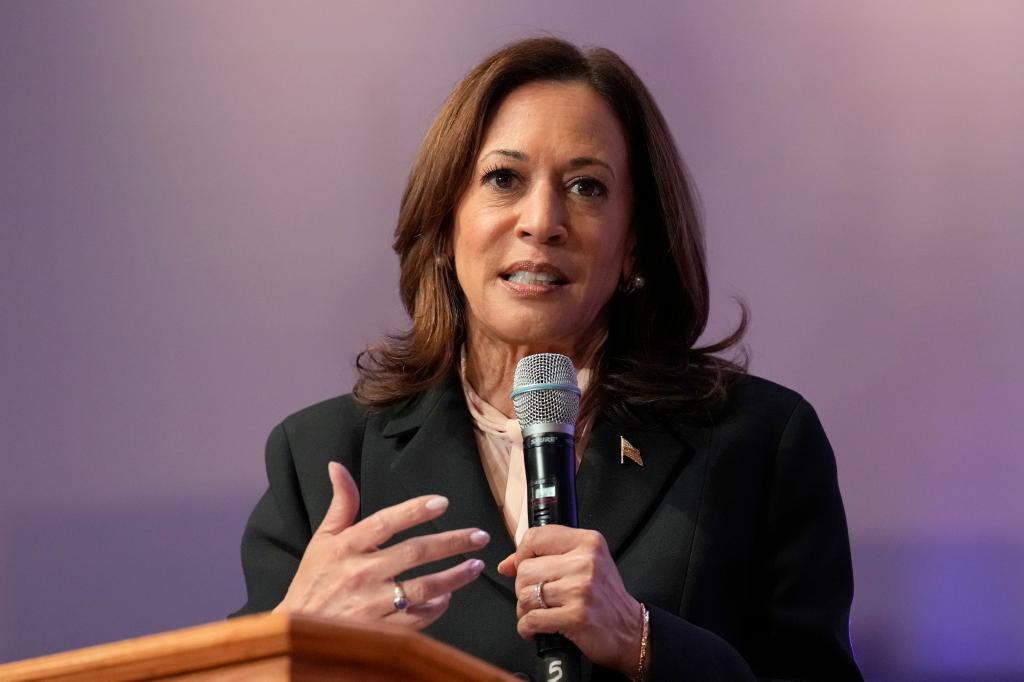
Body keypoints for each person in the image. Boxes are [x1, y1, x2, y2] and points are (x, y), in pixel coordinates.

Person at [232, 37, 863, 681]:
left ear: (636, 242)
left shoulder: (757, 443)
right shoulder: (322, 458)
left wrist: (643, 639)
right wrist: (295, 638)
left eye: (586, 187)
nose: (542, 221)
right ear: (447, 223)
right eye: (503, 180)